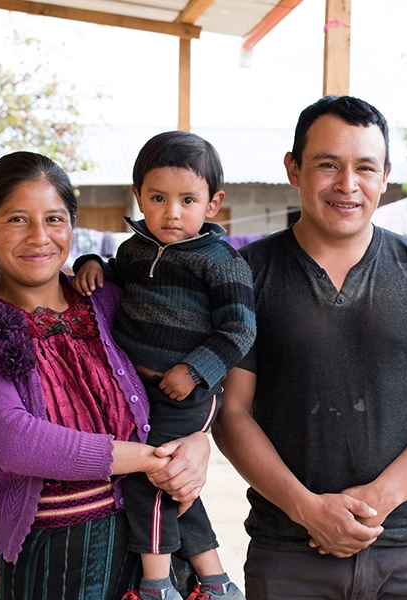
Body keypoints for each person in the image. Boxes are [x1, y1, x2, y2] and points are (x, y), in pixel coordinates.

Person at [211, 95, 407, 600]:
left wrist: (377, 502)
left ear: (386, 176)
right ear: (293, 169)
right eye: (328, 165)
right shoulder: (245, 276)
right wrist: (307, 509)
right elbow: (231, 413)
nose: (348, 184)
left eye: (366, 168)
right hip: (288, 553)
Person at [0, 151, 211, 600]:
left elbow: (182, 375)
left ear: (72, 226)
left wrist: (198, 441)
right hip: (53, 557)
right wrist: (151, 459)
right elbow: (15, 441)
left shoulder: (109, 300)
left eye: (54, 219)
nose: (39, 237)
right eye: (18, 220)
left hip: (154, 541)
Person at [73, 130, 255, 600]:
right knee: (173, 483)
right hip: (140, 392)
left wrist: (194, 370)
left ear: (213, 204)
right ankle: (215, 582)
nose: (172, 212)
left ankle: (155, 585)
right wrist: (92, 263)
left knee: (149, 476)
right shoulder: (135, 249)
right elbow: (114, 275)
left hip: (187, 395)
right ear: (138, 197)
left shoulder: (221, 262)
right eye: (158, 198)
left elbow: (240, 329)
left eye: (187, 200)